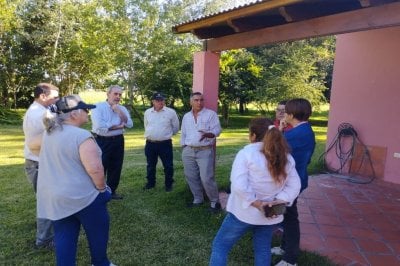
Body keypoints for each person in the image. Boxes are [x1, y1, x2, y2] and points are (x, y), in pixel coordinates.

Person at [209, 118, 301, 266]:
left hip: (243, 213)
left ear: (252, 135)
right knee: (262, 248)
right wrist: (279, 200)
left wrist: (256, 203)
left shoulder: (247, 153)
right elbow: (295, 185)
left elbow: (239, 185)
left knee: (221, 245)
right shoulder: (286, 156)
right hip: (270, 214)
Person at [37, 95, 115, 266]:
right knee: (98, 233)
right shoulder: (82, 136)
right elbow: (95, 169)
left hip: (56, 198)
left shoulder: (49, 133)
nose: (88, 113)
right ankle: (100, 263)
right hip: (84, 197)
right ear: (74, 114)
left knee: (64, 235)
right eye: (85, 110)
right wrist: (102, 190)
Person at [273, 98, 316, 266]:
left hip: (292, 183)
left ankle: (290, 259)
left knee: (290, 219)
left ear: (291, 114)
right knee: (287, 216)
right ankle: (285, 248)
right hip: (297, 179)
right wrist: (282, 130)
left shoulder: (295, 134)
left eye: (286, 112)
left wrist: (281, 133)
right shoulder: (306, 130)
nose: (284, 114)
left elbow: (274, 151)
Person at [23, 82, 59, 249]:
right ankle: (44, 239)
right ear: (43, 96)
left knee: (46, 200)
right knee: (46, 201)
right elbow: (35, 144)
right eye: (54, 97)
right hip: (38, 163)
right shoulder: (37, 115)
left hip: (40, 162)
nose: (57, 100)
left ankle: (46, 230)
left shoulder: (43, 111)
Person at [180, 92, 222, 212]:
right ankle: (198, 199)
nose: (199, 102)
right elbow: (183, 132)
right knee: (191, 176)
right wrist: (184, 146)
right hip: (188, 150)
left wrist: (210, 134)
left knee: (206, 178)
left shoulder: (211, 114)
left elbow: (218, 130)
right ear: (191, 102)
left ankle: (215, 202)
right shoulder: (186, 116)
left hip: (205, 150)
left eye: (201, 100)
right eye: (196, 100)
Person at [91, 85, 133, 200]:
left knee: (116, 166)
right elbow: (100, 127)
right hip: (102, 141)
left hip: (118, 141)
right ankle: (98, 193)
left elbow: (129, 124)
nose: (118, 97)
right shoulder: (98, 107)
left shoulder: (122, 108)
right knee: (100, 166)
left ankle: (111, 191)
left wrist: (118, 111)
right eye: (115, 94)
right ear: (108, 94)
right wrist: (118, 126)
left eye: (120, 95)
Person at [143, 92, 180, 191]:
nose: (161, 102)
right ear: (153, 101)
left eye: (162, 100)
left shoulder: (171, 112)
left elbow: (176, 128)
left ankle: (168, 184)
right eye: (158, 100)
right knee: (150, 165)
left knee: (168, 165)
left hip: (165, 144)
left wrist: (165, 135)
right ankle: (150, 183)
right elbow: (146, 126)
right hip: (150, 143)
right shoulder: (147, 112)